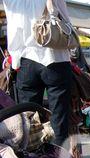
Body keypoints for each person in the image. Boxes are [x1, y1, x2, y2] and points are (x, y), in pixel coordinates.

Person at [3, 0, 73, 147]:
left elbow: (14, 31)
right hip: (57, 57)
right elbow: (66, 22)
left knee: (28, 119)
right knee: (59, 119)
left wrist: (15, 62)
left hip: (27, 59)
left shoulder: (13, 2)